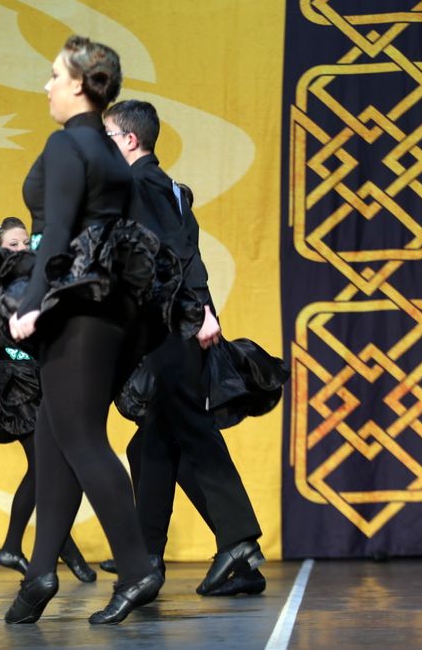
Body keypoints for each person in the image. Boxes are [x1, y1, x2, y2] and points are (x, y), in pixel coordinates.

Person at [0, 35, 199, 626]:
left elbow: (57, 232)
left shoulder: (68, 144)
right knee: (53, 436)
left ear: (81, 85)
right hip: (111, 313)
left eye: (55, 76)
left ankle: (136, 568)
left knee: (81, 437)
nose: (47, 86)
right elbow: (137, 241)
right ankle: (39, 572)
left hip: (75, 310)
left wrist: (32, 302)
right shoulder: (113, 155)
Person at [102, 99, 288, 596]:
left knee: (186, 430)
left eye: (107, 137)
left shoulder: (141, 185)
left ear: (130, 140)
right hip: (178, 322)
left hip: (172, 326)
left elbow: (173, 254)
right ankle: (154, 556)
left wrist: (198, 310)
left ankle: (232, 542)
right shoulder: (168, 187)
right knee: (153, 441)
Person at [0, 218, 95, 582]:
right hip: (11, 389)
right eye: (13, 244)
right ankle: (26, 547)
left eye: (25, 243)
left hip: (39, 384)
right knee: (43, 467)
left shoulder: (37, 291)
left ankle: (42, 549)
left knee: (53, 469)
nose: (22, 249)